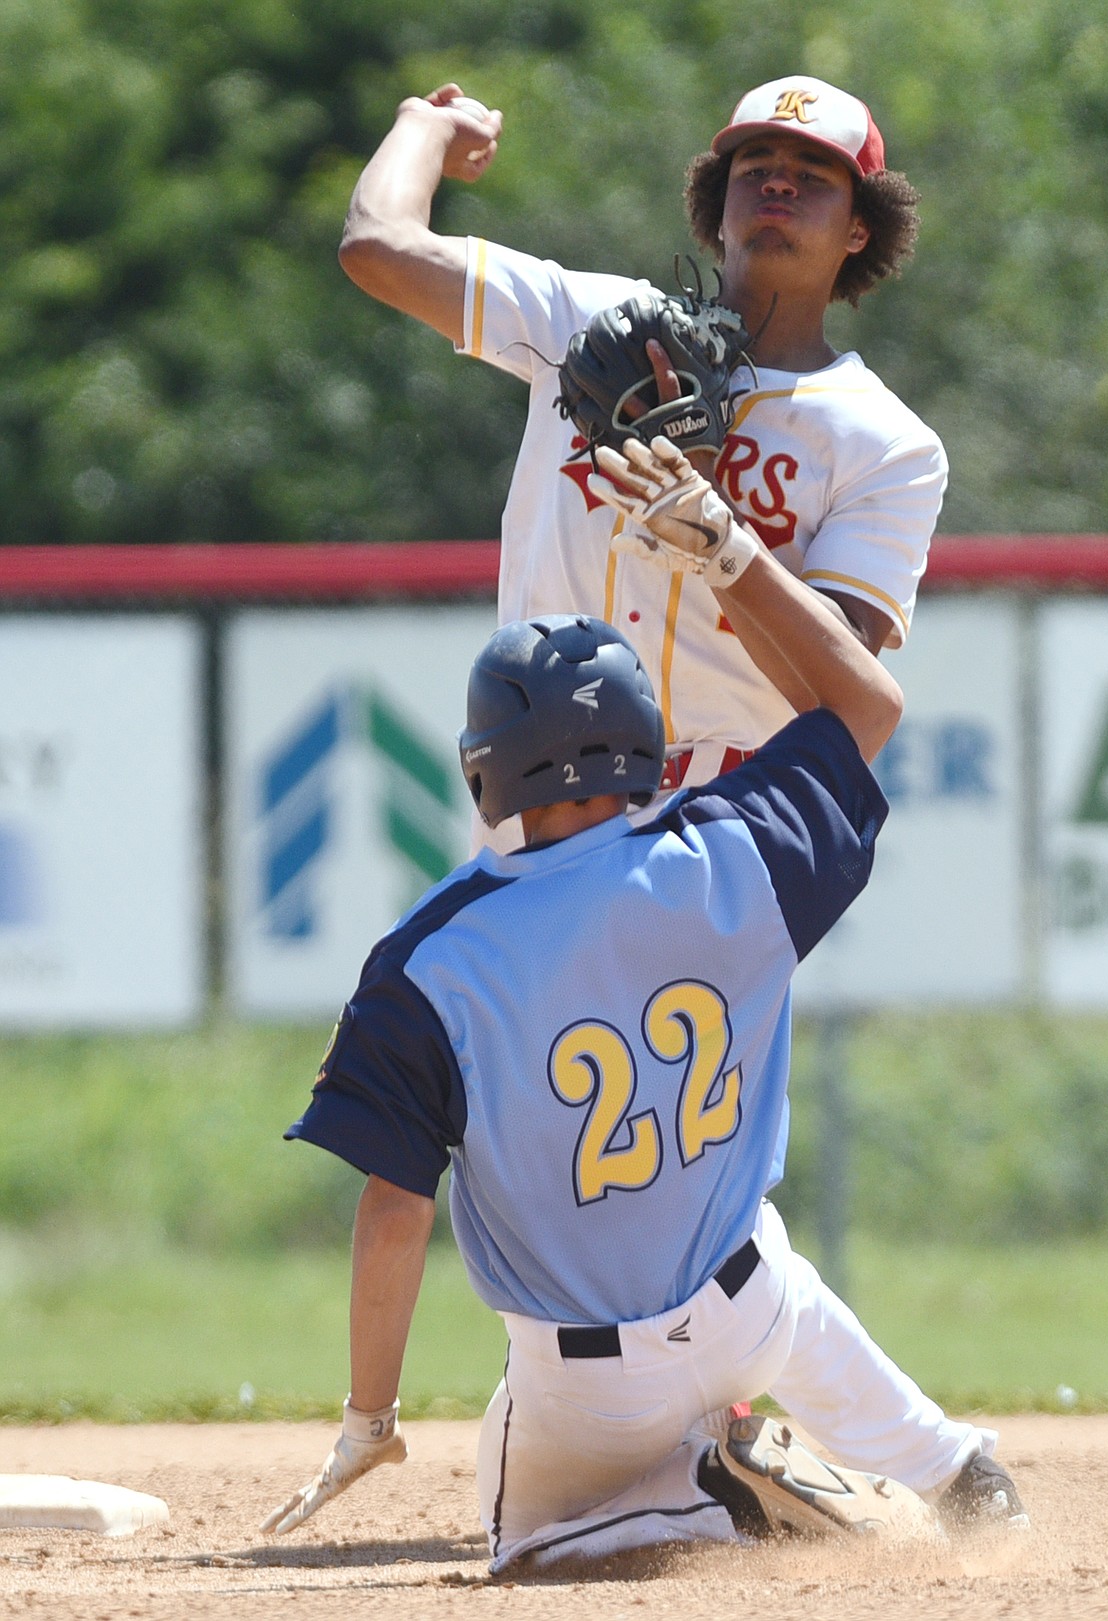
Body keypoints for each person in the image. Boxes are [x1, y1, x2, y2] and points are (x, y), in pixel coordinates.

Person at [260, 440, 1027, 1572]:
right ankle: (954, 1467)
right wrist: (729, 550)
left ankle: (701, 1498)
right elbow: (867, 700)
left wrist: (369, 1418)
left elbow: (393, 1210)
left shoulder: (430, 956)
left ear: (486, 771)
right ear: (648, 747)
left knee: (518, 1546)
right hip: (751, 1310)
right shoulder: (735, 849)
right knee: (785, 1290)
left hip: (586, 1387)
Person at [337, 73, 946, 849]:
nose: (778, 183)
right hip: (537, 806)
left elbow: (834, 692)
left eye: (813, 175)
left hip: (724, 825)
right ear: (717, 206)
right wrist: (424, 125)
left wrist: (720, 537)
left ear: (860, 228)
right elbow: (378, 247)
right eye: (754, 167)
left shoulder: (887, 441)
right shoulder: (591, 329)